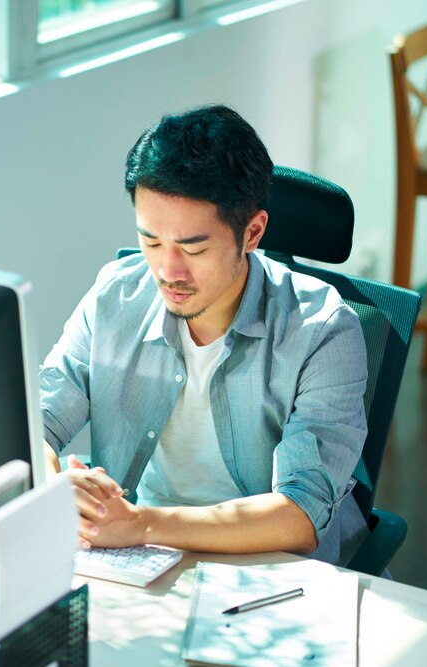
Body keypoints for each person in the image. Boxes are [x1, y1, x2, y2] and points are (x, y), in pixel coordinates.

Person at [39, 104, 368, 566]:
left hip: (269, 569)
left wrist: (142, 523)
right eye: (151, 241)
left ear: (252, 232)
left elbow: (300, 516)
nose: (167, 271)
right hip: (140, 555)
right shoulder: (116, 294)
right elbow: (35, 416)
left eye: (193, 248)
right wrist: (51, 482)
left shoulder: (323, 330)